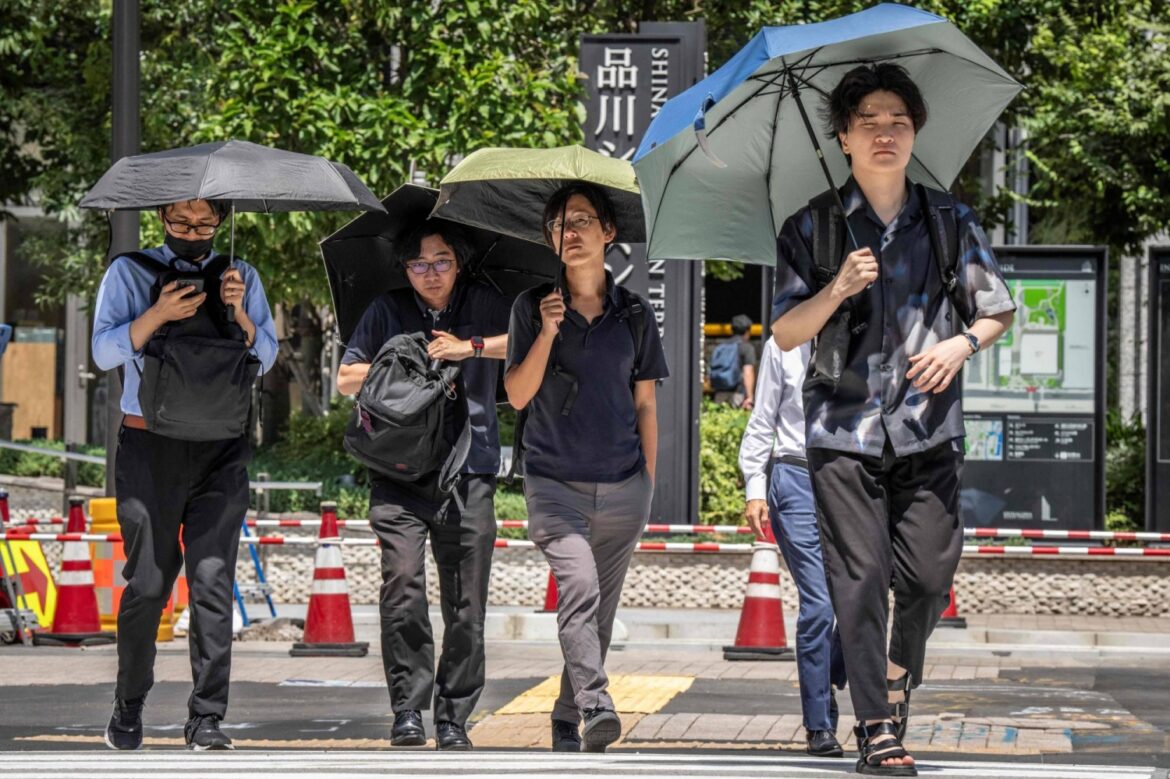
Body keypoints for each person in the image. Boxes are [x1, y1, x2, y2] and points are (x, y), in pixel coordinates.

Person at [770, 63, 1016, 776]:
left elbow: (996, 309)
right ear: (843, 136)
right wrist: (838, 286)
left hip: (928, 427)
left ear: (915, 134)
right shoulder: (811, 227)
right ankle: (876, 726)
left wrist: (960, 343)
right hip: (841, 432)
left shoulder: (949, 220)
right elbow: (786, 332)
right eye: (869, 121)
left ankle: (901, 665)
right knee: (859, 574)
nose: (885, 132)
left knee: (930, 574)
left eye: (898, 121)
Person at [92, 198, 278, 751]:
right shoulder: (130, 272)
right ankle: (128, 704)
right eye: (180, 223)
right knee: (149, 583)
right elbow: (103, 351)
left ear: (221, 222)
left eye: (203, 224)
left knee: (213, 581)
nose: (192, 233)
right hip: (150, 444)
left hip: (222, 446)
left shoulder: (241, 275)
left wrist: (240, 312)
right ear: (162, 221)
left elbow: (265, 357)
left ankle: (206, 717)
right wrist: (158, 316)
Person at [504, 182, 668, 753]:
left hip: (625, 485)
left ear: (608, 232)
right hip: (554, 485)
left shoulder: (635, 314)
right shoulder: (530, 307)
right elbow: (519, 396)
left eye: (580, 222)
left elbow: (645, 403)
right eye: (558, 225)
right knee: (577, 589)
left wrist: (647, 482)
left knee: (598, 613)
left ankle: (565, 715)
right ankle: (598, 702)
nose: (568, 233)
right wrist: (549, 330)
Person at [336, 222, 510, 751]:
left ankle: (454, 716)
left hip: (469, 468)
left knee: (466, 602)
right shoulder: (388, 310)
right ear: (404, 269)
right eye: (418, 264)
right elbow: (346, 379)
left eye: (440, 261)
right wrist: (403, 359)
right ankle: (408, 710)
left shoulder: (486, 302)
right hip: (398, 473)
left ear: (458, 263)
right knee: (403, 585)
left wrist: (468, 348)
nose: (430, 273)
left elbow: (525, 344)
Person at [738, 337, 846, 758]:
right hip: (795, 476)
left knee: (860, 602)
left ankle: (830, 673)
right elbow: (762, 418)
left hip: (848, 480)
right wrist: (754, 486)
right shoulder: (782, 345)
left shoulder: (865, 338)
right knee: (819, 605)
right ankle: (819, 723)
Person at [709, 313, 758, 408]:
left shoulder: (720, 348)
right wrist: (750, 397)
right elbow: (748, 372)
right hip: (737, 395)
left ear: (732, 330)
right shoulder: (746, 348)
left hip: (719, 394)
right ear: (748, 331)